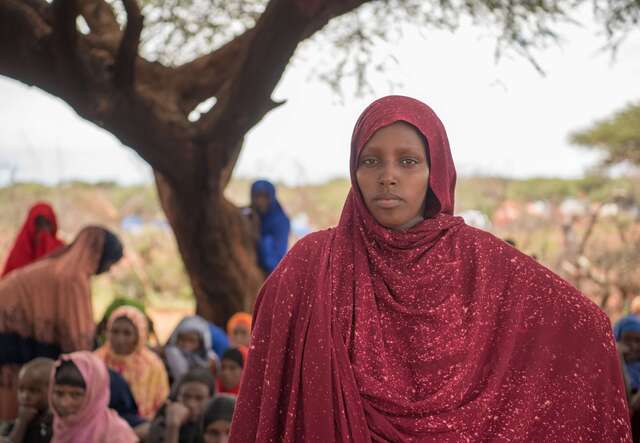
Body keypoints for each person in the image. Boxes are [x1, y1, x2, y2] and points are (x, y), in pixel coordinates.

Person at [230, 96, 631, 441]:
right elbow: (268, 394)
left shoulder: (481, 260)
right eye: (371, 161)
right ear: (354, 171)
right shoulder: (312, 264)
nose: (388, 177)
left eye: (408, 161)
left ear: (434, 170)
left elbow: (586, 324)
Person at [0, 226, 123, 420]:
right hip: (9, 332)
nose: (108, 270)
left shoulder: (62, 267)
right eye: (110, 263)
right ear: (100, 255)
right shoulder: (72, 277)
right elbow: (76, 338)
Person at [95, 306, 170, 420]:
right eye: (115, 332)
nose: (120, 339)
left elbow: (161, 402)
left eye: (127, 333)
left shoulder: (153, 365)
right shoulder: (96, 361)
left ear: (139, 335)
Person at [50, 351, 137, 443]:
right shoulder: (56, 424)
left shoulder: (116, 434)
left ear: (95, 395)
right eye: (59, 393)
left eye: (76, 395)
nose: (64, 403)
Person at [147, 368, 215, 443]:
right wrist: (173, 427)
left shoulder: (215, 426)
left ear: (210, 399)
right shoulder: (163, 423)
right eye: (186, 396)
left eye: (199, 398)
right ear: (177, 397)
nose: (191, 404)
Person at [2, 203, 65, 278]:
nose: (43, 230)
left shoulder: (60, 249)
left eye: (47, 224)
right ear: (30, 226)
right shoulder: (20, 251)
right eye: (39, 225)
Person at [0, 358, 54, 443]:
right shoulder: (14, 425)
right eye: (21, 389)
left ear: (53, 391)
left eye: (33, 390)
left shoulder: (54, 425)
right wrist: (22, 423)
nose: (25, 396)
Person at [250, 180, 290, 275]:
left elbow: (278, 253)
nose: (260, 201)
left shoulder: (280, 220)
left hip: (272, 267)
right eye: (257, 196)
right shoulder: (250, 213)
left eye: (264, 197)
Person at [164, 316, 217, 386]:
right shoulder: (171, 354)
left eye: (192, 340)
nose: (186, 344)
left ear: (201, 343)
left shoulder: (209, 358)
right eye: (182, 339)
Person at [615, 315, 640, 442]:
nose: (633, 346)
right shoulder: (612, 366)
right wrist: (617, 356)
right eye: (627, 341)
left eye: (638, 341)